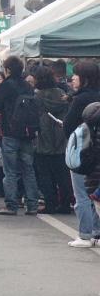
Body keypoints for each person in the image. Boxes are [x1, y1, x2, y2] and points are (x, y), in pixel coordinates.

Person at [0, 55, 40, 216]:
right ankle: (32, 204)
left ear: (7, 70)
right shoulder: (27, 85)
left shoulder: (6, 85)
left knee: (10, 171)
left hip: (10, 133)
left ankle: (11, 205)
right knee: (29, 169)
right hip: (28, 133)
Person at [63, 62, 100, 247]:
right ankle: (97, 233)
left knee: (82, 194)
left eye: (76, 75)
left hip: (83, 152)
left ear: (84, 78)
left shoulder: (80, 99)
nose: (73, 78)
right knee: (96, 194)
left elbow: (68, 126)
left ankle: (85, 234)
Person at [33, 66, 72, 214]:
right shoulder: (62, 95)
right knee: (63, 175)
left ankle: (50, 204)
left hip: (43, 140)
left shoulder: (37, 97)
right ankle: (65, 204)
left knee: (45, 175)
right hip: (62, 139)